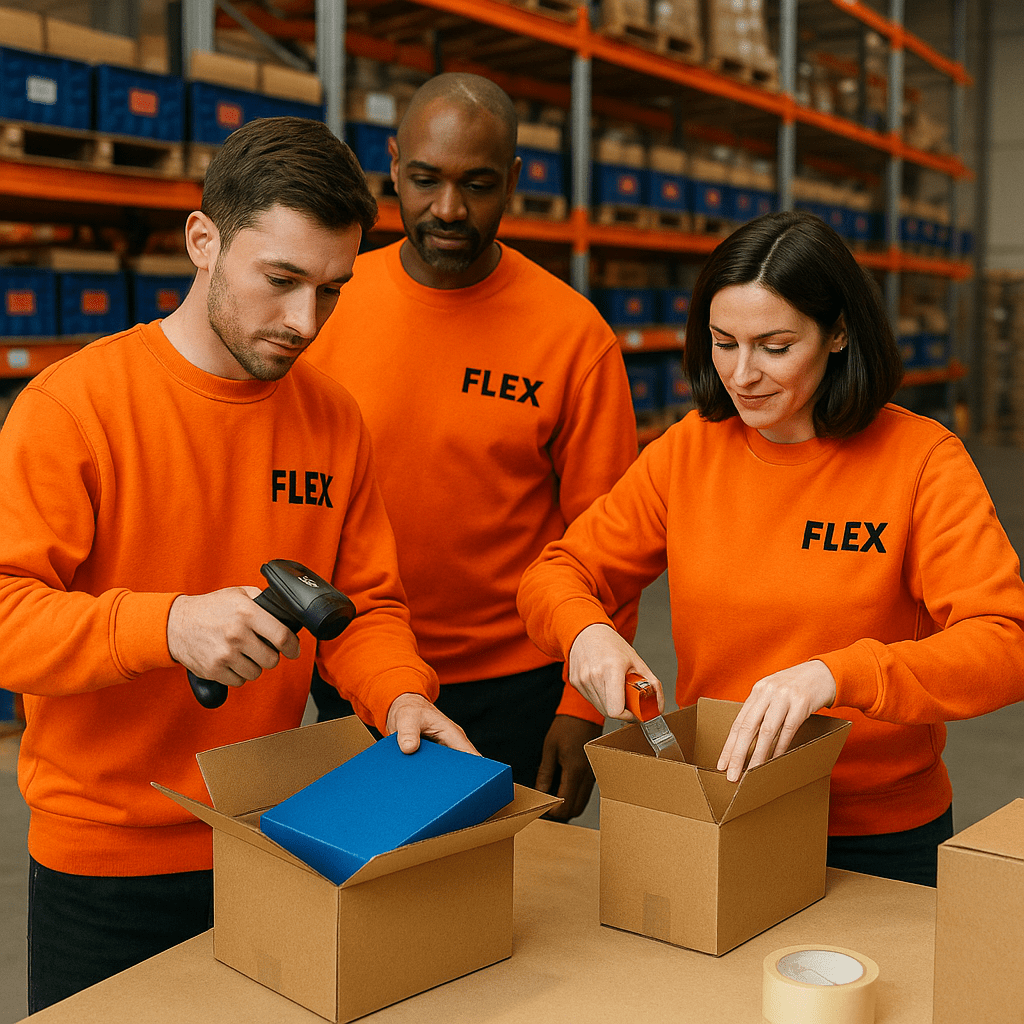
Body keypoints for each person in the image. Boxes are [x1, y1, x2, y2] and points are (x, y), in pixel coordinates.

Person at [0, 116, 475, 1013]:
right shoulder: (73, 410)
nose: (305, 322)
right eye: (282, 281)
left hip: (272, 837)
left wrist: (400, 694)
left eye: (332, 290)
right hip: (108, 864)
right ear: (203, 241)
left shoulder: (332, 419)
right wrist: (167, 625)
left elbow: (364, 605)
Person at [517, 209, 1024, 886]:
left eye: (775, 346)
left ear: (839, 331)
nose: (743, 373)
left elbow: (1003, 643)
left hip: (876, 831)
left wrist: (839, 676)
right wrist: (585, 633)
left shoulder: (921, 459)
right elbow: (558, 573)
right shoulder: (688, 453)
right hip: (720, 809)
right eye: (723, 342)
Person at [304, 73, 638, 820]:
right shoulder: (325, 309)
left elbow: (609, 545)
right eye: (424, 180)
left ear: (515, 180)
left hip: (515, 688)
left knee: (506, 915)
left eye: (477, 184)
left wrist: (583, 708)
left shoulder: (572, 338)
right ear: (392, 164)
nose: (448, 209)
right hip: (353, 671)